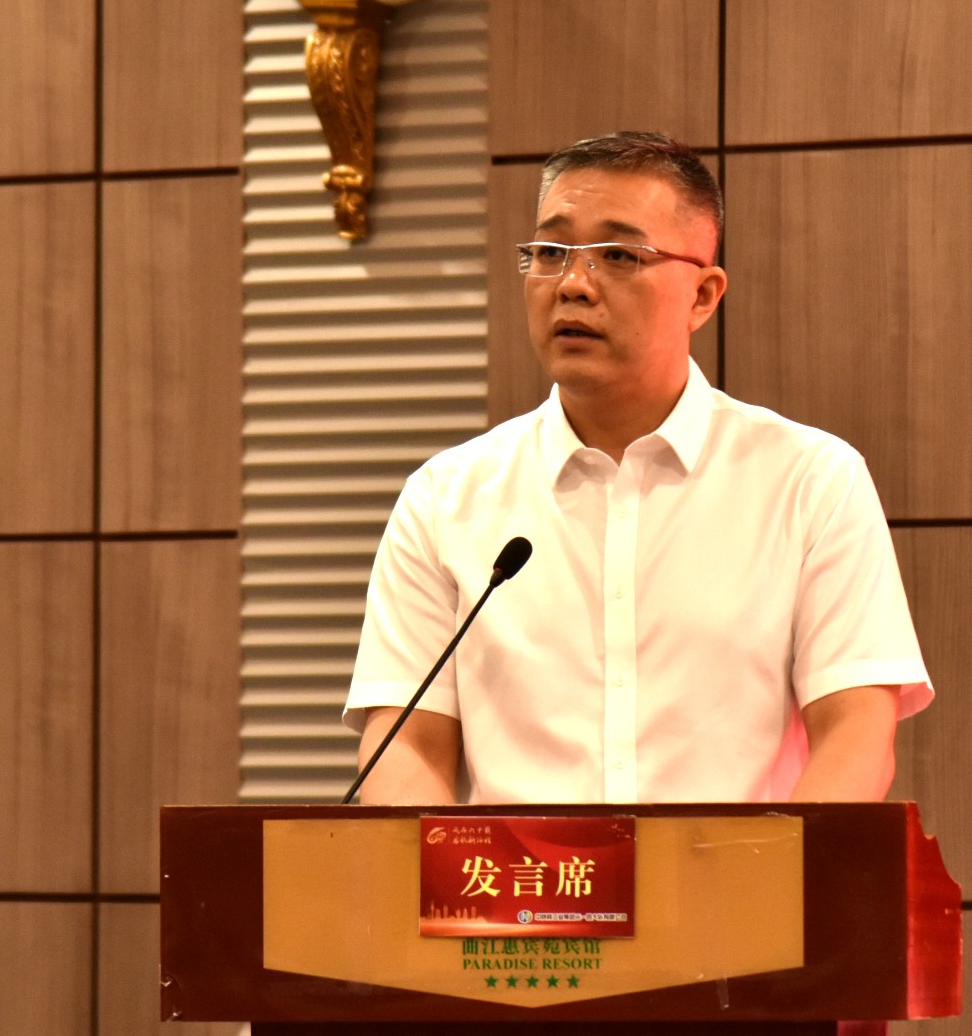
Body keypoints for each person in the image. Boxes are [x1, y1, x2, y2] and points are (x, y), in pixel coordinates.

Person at [344, 132, 932, 805]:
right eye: (551, 253)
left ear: (703, 295)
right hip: (516, 878)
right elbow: (406, 747)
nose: (572, 285)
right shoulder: (444, 499)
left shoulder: (810, 482)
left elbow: (856, 736)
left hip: (736, 874)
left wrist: (764, 870)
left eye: (619, 256)